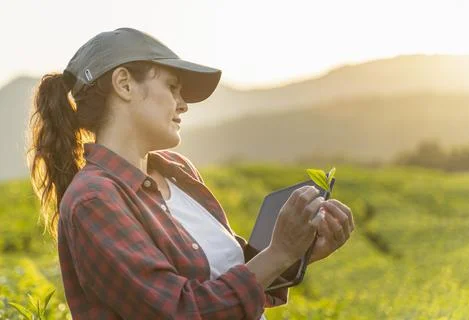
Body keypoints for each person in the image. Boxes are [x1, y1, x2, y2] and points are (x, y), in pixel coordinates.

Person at [27, 27, 354, 319]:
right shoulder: (94, 199)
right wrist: (279, 252)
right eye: (172, 87)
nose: (183, 105)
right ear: (124, 84)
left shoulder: (178, 171)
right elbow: (179, 311)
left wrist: (296, 255)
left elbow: (227, 281)